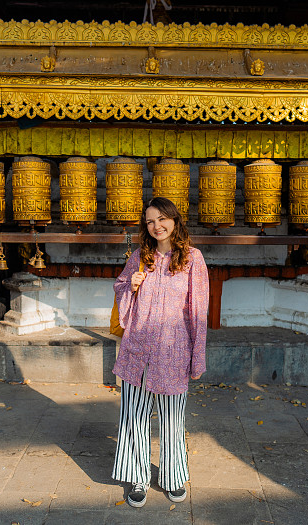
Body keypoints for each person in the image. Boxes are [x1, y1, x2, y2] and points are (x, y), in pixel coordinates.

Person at [111, 196, 209, 508]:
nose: (157, 226)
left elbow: (198, 311)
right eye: (150, 221)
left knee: (172, 420)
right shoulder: (140, 257)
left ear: (175, 220)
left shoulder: (193, 259)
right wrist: (132, 286)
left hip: (174, 353)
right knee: (134, 418)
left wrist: (198, 355)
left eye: (162, 219)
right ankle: (137, 476)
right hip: (137, 351)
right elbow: (121, 295)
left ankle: (172, 475)